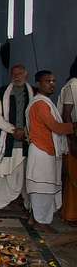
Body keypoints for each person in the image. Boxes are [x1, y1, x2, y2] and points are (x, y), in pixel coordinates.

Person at [25, 70, 77, 232]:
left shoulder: (45, 102)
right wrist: (74, 126)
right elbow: (54, 127)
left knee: (44, 187)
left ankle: (35, 219)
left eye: (54, 81)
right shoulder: (40, 104)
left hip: (45, 150)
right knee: (42, 188)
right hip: (42, 151)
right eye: (48, 81)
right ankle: (41, 222)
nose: (52, 84)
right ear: (38, 84)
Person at [0, 64, 34, 210]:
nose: (17, 76)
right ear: (11, 75)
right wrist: (13, 130)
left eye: (20, 74)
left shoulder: (34, 92)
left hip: (28, 141)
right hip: (8, 140)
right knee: (4, 174)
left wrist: (26, 132)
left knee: (27, 175)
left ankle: (28, 207)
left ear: (26, 75)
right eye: (14, 74)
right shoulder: (2, 92)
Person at [58, 56, 77, 224]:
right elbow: (66, 114)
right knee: (72, 178)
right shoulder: (73, 85)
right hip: (73, 137)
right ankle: (70, 214)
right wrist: (71, 138)